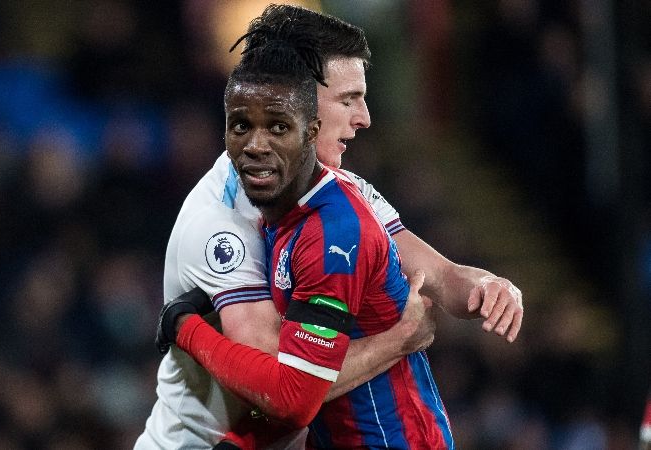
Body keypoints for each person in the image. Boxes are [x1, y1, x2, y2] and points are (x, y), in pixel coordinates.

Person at [136, 5, 523, 449]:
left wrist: (491, 287)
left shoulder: (337, 195)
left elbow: (441, 277)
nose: (364, 118)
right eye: (348, 98)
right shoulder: (221, 224)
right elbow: (283, 389)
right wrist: (397, 340)